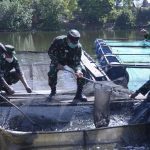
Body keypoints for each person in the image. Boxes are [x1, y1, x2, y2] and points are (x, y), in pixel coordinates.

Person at [47, 29, 87, 102]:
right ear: (68, 39)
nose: (73, 44)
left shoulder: (78, 47)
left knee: (82, 71)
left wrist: (78, 70)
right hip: (58, 60)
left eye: (75, 43)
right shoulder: (58, 40)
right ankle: (53, 92)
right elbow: (50, 52)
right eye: (72, 42)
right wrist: (57, 63)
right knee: (52, 72)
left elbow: (77, 62)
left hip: (71, 61)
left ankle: (79, 94)